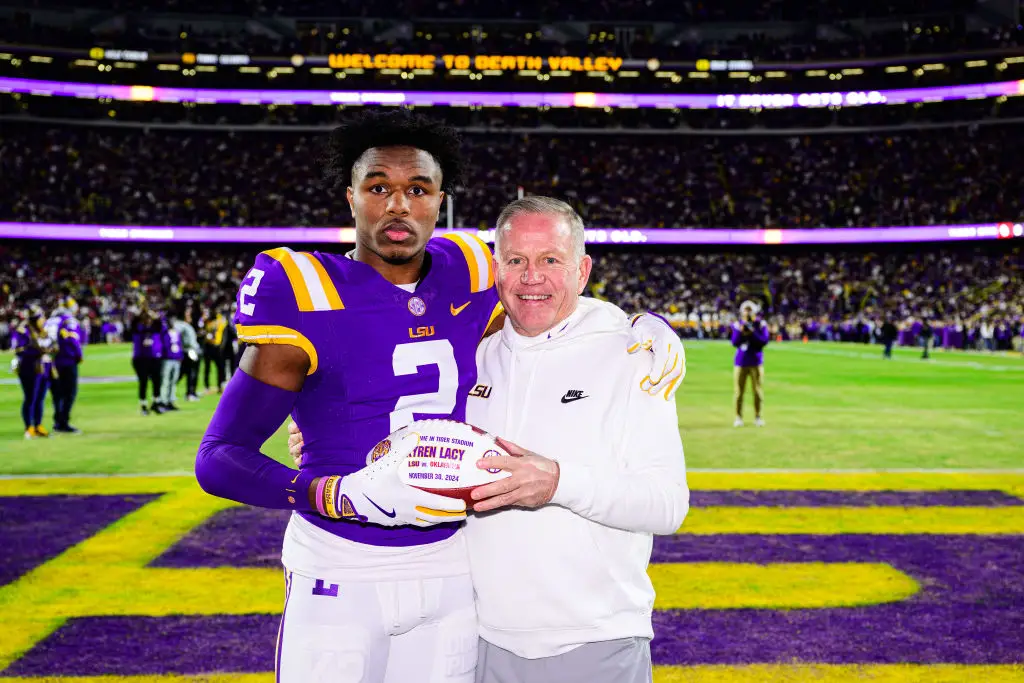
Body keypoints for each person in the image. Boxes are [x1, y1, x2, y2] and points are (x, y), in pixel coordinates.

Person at [195, 110, 684, 683]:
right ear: (351, 197)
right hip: (339, 563)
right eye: (379, 187)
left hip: (451, 565)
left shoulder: (470, 268)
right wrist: (333, 494)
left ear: (439, 200)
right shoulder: (302, 288)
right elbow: (218, 457)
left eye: (417, 189)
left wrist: (637, 325)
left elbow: (544, 301)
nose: (398, 205)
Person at [288, 197, 689, 683]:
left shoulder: (631, 355)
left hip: (597, 640)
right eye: (516, 260)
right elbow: (410, 435)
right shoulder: (470, 357)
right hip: (482, 640)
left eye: (550, 260)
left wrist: (559, 482)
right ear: (495, 269)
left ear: (582, 270)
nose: (531, 277)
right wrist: (327, 438)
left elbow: (668, 505)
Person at [12, 306, 53, 439]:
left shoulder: (43, 330)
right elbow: (19, 350)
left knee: (40, 398)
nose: (44, 319)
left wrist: (51, 349)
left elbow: (50, 344)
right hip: (29, 368)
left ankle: (38, 425)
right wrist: (39, 351)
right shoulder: (24, 330)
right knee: (30, 398)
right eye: (41, 317)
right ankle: (29, 426)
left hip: (44, 367)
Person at [45, 300, 84, 434]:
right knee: (69, 393)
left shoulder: (49, 321)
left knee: (57, 393)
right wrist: (79, 354)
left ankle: (57, 421)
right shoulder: (68, 320)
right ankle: (63, 422)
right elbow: (73, 338)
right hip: (66, 360)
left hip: (50, 361)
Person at [731, 300, 769, 427]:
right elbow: (734, 342)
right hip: (741, 362)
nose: (747, 312)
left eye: (750, 310)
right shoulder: (738, 324)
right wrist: (742, 332)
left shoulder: (760, 324)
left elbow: (764, 341)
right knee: (739, 392)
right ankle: (738, 417)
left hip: (756, 361)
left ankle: (758, 416)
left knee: (757, 391)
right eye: (746, 310)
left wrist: (752, 333)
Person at [131, 307, 164, 415]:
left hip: (154, 358)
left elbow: (159, 322)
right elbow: (134, 322)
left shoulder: (155, 329)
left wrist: (151, 313)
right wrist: (142, 312)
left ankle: (156, 402)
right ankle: (143, 405)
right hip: (141, 359)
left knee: (157, 381)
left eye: (149, 319)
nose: (148, 320)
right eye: (146, 319)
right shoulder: (138, 329)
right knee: (143, 382)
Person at [157, 309, 186, 411]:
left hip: (176, 359)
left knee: (173, 381)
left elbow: (179, 345)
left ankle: (170, 401)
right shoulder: (164, 332)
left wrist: (180, 356)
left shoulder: (176, 332)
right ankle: (163, 401)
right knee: (165, 381)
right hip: (167, 359)